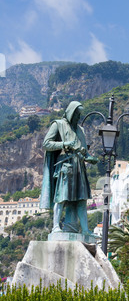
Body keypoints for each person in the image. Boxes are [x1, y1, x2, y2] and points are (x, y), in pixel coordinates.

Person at [40, 101, 98, 236]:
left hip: (79, 167)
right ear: (71, 113)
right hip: (65, 167)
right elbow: (46, 144)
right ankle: (55, 227)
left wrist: (89, 157)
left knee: (82, 200)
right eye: (77, 114)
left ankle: (85, 230)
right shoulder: (58, 124)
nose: (78, 117)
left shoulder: (80, 130)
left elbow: (84, 152)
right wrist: (64, 144)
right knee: (61, 198)